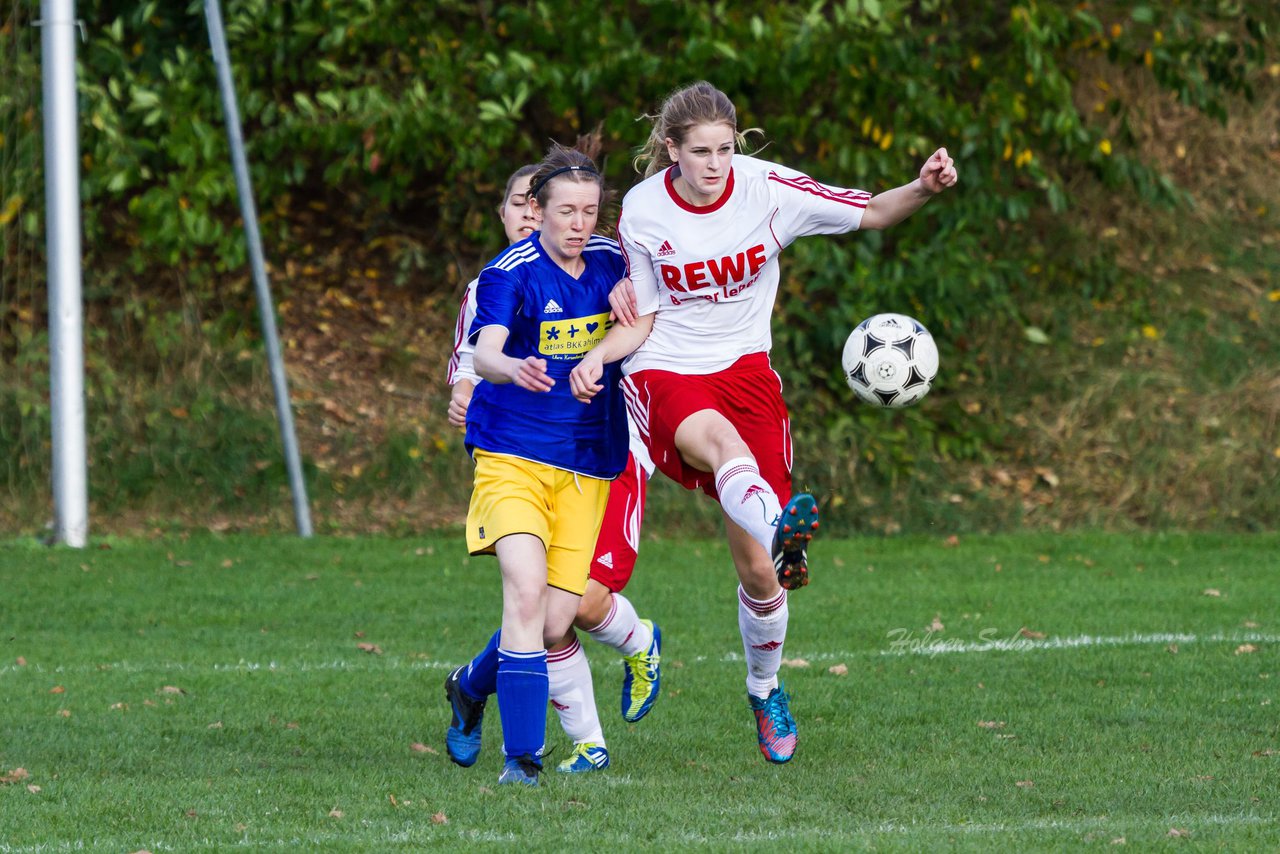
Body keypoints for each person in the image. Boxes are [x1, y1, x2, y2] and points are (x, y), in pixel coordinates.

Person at [571, 81, 958, 765]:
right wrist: (604, 353)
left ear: (738, 145)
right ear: (671, 150)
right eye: (699, 152)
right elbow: (646, 312)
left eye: (725, 148)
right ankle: (780, 524)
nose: (715, 164)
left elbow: (870, 211)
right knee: (720, 446)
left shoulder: (768, 189)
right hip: (668, 369)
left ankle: (764, 687)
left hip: (748, 372)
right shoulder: (644, 209)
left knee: (759, 575)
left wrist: (923, 187)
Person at [444, 162, 663, 776]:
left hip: (588, 464)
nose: (579, 224)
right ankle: (523, 760)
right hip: (510, 456)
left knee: (554, 620)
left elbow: (645, 319)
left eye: (590, 212)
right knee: (524, 592)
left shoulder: (611, 263)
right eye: (567, 211)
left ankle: (468, 688)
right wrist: (513, 368)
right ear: (536, 212)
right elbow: (483, 349)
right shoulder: (507, 274)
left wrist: (599, 354)